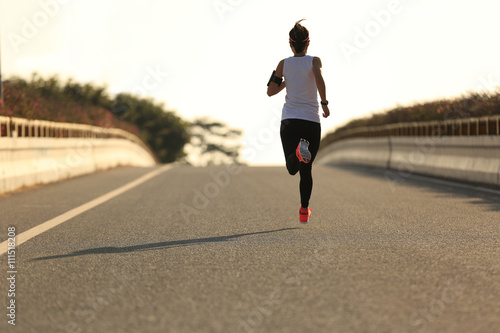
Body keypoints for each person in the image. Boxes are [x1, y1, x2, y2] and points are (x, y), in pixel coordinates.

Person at [267, 19, 330, 224]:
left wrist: (287, 80)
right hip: (311, 122)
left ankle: (297, 151)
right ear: (308, 43)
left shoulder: (283, 64)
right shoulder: (315, 61)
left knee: (292, 168)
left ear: (290, 43)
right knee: (306, 169)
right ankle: (304, 210)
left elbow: (270, 91)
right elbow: (319, 79)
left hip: (290, 121)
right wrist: (324, 103)